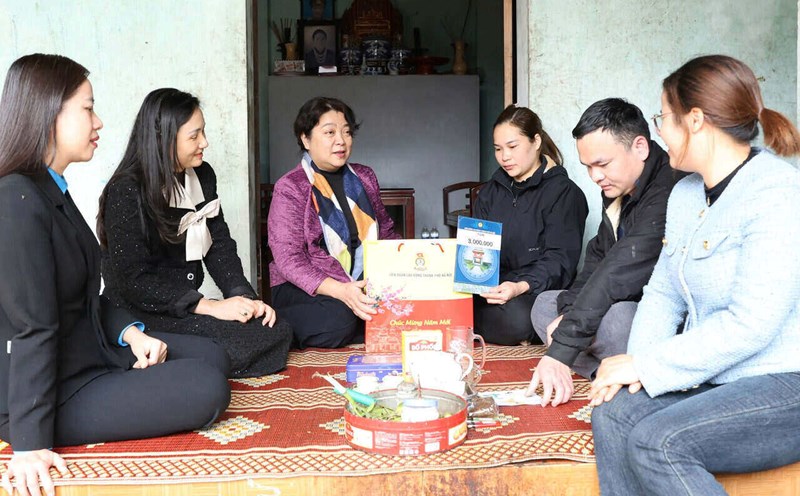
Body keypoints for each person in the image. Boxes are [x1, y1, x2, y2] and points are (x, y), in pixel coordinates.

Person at [0, 54, 231, 496]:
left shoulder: (51, 192)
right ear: (48, 112)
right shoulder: (15, 200)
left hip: (89, 351)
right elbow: (31, 325)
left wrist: (131, 333)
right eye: (87, 108)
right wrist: (29, 444)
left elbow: (83, 295)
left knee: (214, 356)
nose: (99, 121)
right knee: (206, 386)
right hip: (53, 391)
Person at [589, 55, 800, 495]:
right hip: (715, 376)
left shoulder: (777, 192)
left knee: (657, 442)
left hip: (783, 383)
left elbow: (752, 325)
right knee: (614, 411)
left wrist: (647, 364)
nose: (659, 131)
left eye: (662, 118)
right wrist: (635, 375)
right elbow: (663, 293)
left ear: (696, 120)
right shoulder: (685, 195)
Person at [98, 88, 292, 378]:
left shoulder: (203, 175)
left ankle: (179, 356)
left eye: (203, 133)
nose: (205, 142)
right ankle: (143, 348)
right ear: (163, 139)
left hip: (184, 308)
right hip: (141, 310)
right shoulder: (126, 190)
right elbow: (133, 281)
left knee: (274, 329)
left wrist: (245, 299)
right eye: (194, 136)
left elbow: (219, 246)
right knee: (235, 346)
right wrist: (210, 306)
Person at [527, 98, 678, 406]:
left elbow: (618, 271)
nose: (595, 176)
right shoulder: (617, 188)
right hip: (611, 301)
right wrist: (567, 314)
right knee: (544, 305)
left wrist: (563, 348)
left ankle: (620, 370)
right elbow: (598, 259)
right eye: (588, 167)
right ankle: (602, 372)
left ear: (640, 147)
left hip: (652, 318)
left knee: (620, 317)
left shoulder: (668, 189)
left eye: (602, 164)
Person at [269, 96, 400, 348]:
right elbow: (288, 259)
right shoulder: (291, 186)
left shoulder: (364, 176)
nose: (341, 140)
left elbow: (386, 233)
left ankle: (357, 317)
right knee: (338, 320)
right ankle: (279, 327)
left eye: (347, 132)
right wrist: (341, 291)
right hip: (304, 286)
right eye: (329, 132)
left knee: (406, 304)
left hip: (360, 282)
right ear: (305, 139)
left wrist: (409, 269)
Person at [473, 105, 588, 345]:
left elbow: (560, 261)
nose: (505, 157)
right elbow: (477, 251)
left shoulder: (563, 193)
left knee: (518, 319)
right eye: (498, 149)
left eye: (513, 147)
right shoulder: (489, 193)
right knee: (447, 304)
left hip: (534, 290)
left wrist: (518, 287)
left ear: (536, 141)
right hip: (494, 290)